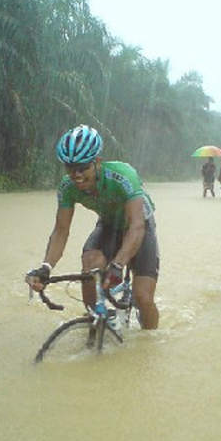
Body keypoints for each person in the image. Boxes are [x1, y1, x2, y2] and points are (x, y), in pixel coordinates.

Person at [25, 125, 160, 329]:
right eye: (70, 168)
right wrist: (46, 267)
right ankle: (96, 322)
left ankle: (149, 345)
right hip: (108, 224)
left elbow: (137, 226)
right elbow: (61, 231)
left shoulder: (123, 175)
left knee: (143, 298)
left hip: (139, 225)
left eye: (82, 167)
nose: (76, 175)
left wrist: (118, 264)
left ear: (97, 161)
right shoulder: (67, 187)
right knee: (90, 268)